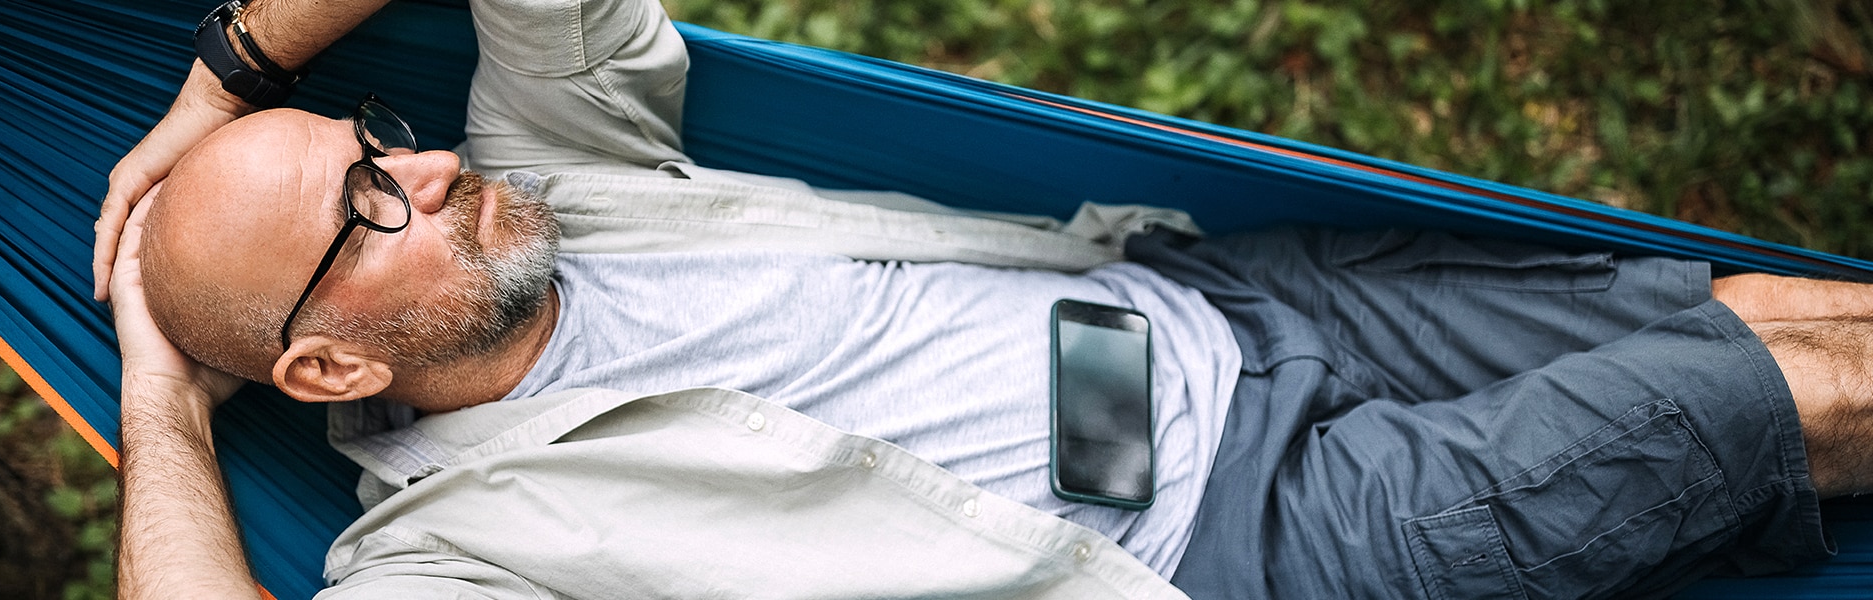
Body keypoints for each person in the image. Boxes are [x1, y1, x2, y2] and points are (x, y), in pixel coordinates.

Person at [97, 0, 1873, 598]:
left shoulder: (565, 174)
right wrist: (159, 400)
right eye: (360, 205)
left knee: (1776, 320)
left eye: (382, 143)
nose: (421, 173)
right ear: (325, 362)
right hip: (1253, 548)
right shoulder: (451, 550)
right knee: (1760, 405)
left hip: (1234, 309)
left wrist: (224, 70)